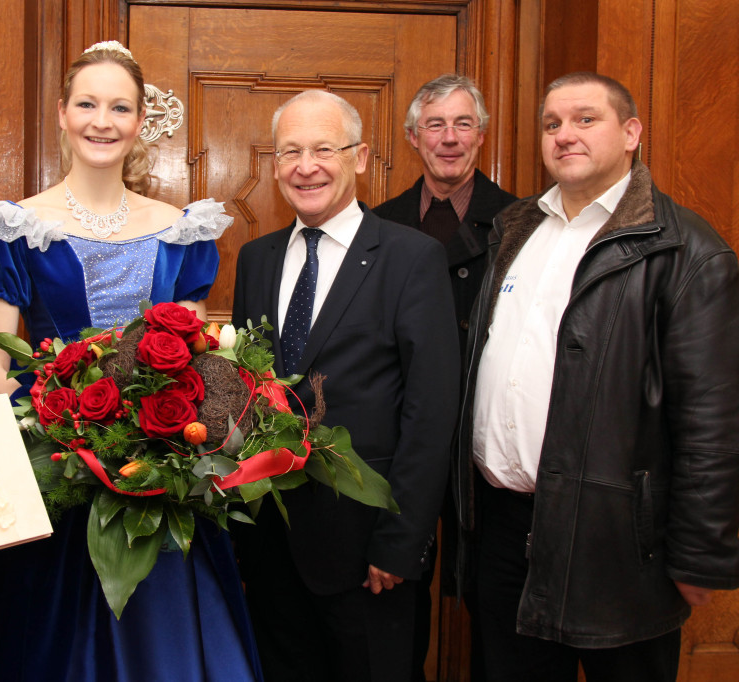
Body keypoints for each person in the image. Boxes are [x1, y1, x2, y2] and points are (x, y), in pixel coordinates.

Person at [0, 41, 260, 681]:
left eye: (119, 107)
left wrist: (173, 444)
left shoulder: (181, 229)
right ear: (62, 113)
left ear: (139, 119)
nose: (102, 120)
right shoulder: (12, 227)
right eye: (87, 103)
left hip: (158, 476)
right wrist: (65, 447)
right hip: (57, 480)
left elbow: (196, 362)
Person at [456, 72, 739, 682]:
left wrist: (700, 553)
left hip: (617, 543)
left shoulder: (687, 250)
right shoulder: (515, 228)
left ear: (631, 132)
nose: (565, 135)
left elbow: (713, 420)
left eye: (586, 119)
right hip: (504, 531)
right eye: (552, 124)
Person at [232, 89, 461, 682]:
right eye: (290, 152)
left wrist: (401, 541)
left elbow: (432, 412)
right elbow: (248, 391)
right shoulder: (255, 259)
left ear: (359, 158)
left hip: (368, 550)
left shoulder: (412, 258)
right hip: (271, 546)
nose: (306, 166)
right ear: (275, 164)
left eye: (323, 149)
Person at [374, 74, 517, 682]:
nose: (449, 137)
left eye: (463, 124)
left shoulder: (520, 223)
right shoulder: (377, 224)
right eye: (435, 124)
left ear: (481, 136)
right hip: (398, 437)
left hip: (485, 440)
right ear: (413, 137)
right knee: (394, 589)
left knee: (491, 595)